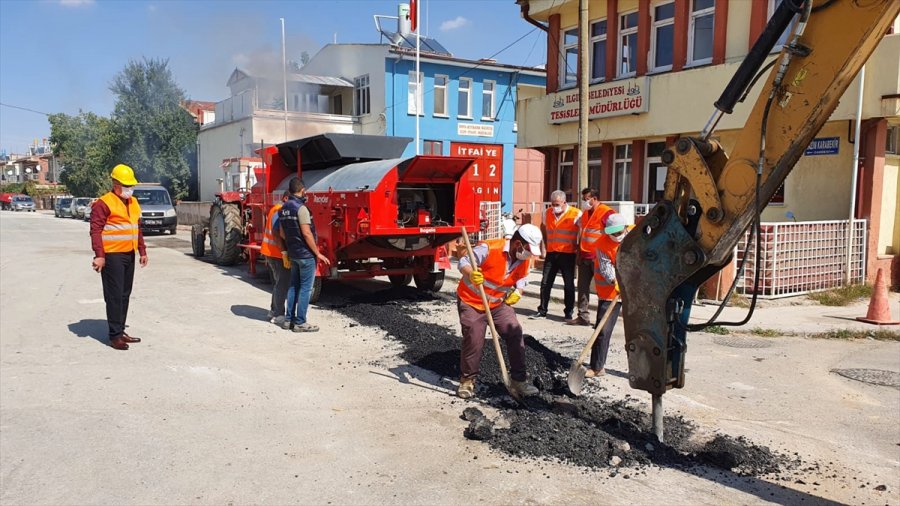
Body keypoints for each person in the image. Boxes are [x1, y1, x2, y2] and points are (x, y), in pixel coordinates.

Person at [456, 223, 544, 400]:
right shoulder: (490, 248)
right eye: (528, 250)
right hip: (472, 301)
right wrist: (470, 273)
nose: (529, 255)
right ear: (518, 244)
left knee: (515, 332)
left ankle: (519, 380)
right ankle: (467, 380)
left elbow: (521, 277)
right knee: (474, 337)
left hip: (497, 304)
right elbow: (463, 262)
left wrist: (519, 291)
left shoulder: (524, 260)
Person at [90, 164, 148, 351]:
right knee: (114, 296)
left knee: (124, 294)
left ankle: (121, 330)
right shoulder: (103, 203)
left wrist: (142, 250)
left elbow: (137, 228)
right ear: (115, 184)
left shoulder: (133, 202)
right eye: (126, 185)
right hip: (112, 255)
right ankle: (114, 336)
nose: (129, 189)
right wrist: (99, 256)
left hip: (129, 253)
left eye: (131, 185)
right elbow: (95, 231)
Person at [276, 177, 331, 332]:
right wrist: (318, 253)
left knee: (293, 286)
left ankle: (288, 320)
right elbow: (307, 233)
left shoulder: (283, 208)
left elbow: (282, 233)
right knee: (305, 289)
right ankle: (300, 322)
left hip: (293, 254)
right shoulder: (301, 209)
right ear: (302, 190)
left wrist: (292, 244)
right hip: (306, 255)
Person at [588, 213, 632, 377]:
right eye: (612, 233)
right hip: (610, 292)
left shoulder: (635, 237)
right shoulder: (602, 244)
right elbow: (606, 269)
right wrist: (616, 282)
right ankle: (597, 367)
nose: (615, 236)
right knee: (603, 330)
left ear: (625, 228)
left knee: (637, 333)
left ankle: (639, 372)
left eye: (618, 232)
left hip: (635, 291)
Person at [567, 188, 614, 326]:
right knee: (582, 287)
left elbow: (613, 232)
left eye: (587, 199)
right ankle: (583, 316)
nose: (585, 202)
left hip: (599, 257)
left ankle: (602, 320)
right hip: (584, 255)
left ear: (595, 198)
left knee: (602, 289)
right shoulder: (586, 213)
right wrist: (579, 252)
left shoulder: (606, 212)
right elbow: (583, 232)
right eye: (583, 199)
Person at [532, 190, 581, 320]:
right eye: (553, 204)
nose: (554, 207)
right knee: (545, 282)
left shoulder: (575, 214)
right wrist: (545, 244)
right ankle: (542, 310)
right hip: (552, 253)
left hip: (568, 254)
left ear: (564, 202)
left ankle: (568, 312)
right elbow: (543, 227)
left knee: (568, 284)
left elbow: (582, 231)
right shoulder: (548, 213)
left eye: (557, 204)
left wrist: (579, 248)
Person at [261, 191, 291, 326]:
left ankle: (274, 311)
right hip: (276, 253)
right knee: (282, 284)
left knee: (279, 283)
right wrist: (285, 252)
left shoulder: (275, 209)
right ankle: (278, 314)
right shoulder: (280, 210)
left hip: (271, 251)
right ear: (286, 198)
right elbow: (277, 233)